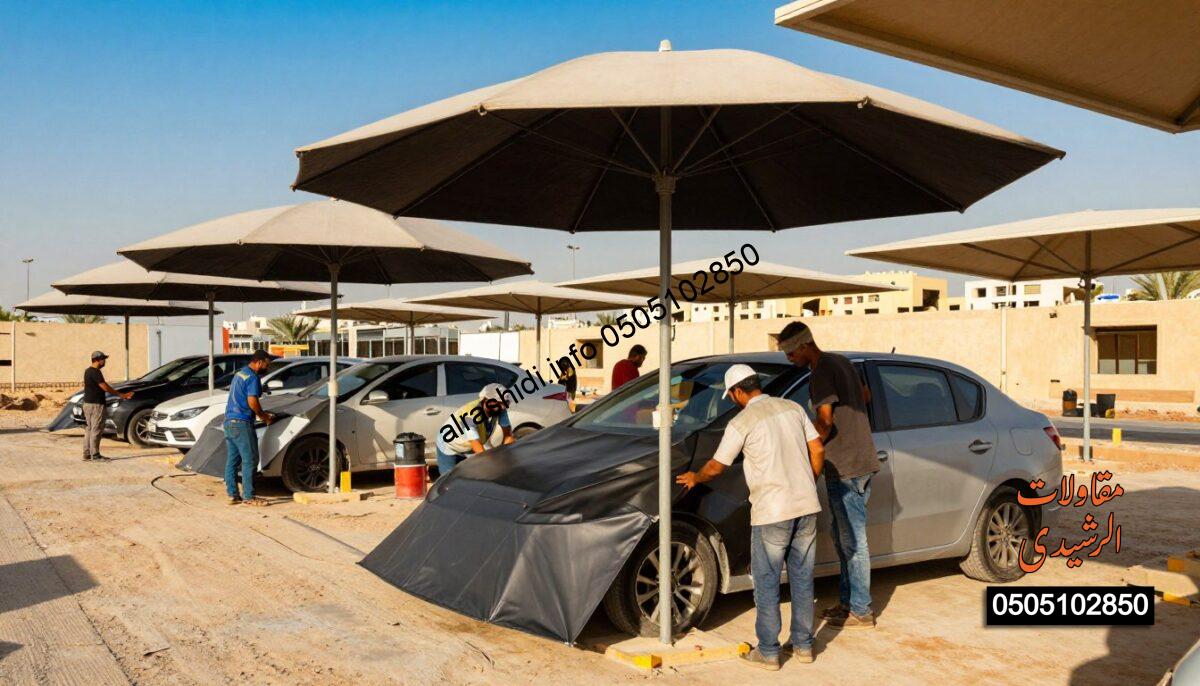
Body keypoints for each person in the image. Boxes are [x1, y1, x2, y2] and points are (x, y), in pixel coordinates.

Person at [676, 364, 824, 669]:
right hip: (807, 506)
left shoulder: (743, 421)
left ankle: (769, 651)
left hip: (772, 511)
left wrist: (695, 477)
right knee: (802, 578)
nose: (731, 400)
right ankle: (804, 646)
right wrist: (807, 482)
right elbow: (818, 449)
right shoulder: (792, 408)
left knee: (768, 582)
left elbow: (718, 465)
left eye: (730, 395)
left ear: (738, 392)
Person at [777, 321, 879, 628]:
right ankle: (848, 605)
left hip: (844, 466)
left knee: (853, 542)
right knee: (845, 539)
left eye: (791, 352)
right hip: (862, 459)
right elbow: (866, 395)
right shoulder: (842, 361)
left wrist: (805, 448)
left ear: (805, 346)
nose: (789, 359)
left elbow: (824, 422)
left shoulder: (821, 372)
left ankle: (861, 609)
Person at [224, 350, 274, 506]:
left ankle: (233, 495)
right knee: (250, 459)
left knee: (232, 460)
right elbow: (252, 401)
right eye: (267, 364)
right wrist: (264, 416)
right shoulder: (252, 377)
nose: (268, 367)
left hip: (229, 422)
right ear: (259, 362)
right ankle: (249, 497)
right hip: (242, 422)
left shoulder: (240, 374)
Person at [435, 382, 515, 477]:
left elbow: (508, 436)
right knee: (448, 481)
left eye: (505, 403)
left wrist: (507, 459)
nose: (503, 407)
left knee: (471, 478)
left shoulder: (500, 409)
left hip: (467, 447)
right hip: (448, 445)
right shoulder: (470, 414)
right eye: (499, 403)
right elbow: (475, 444)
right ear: (487, 400)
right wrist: (493, 467)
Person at [81, 351, 132, 462]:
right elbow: (104, 387)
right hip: (96, 405)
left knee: (89, 429)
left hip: (87, 404)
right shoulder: (96, 372)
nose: (105, 361)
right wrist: (120, 394)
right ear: (97, 360)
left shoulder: (87, 371)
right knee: (97, 429)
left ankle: (86, 454)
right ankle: (95, 455)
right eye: (103, 359)